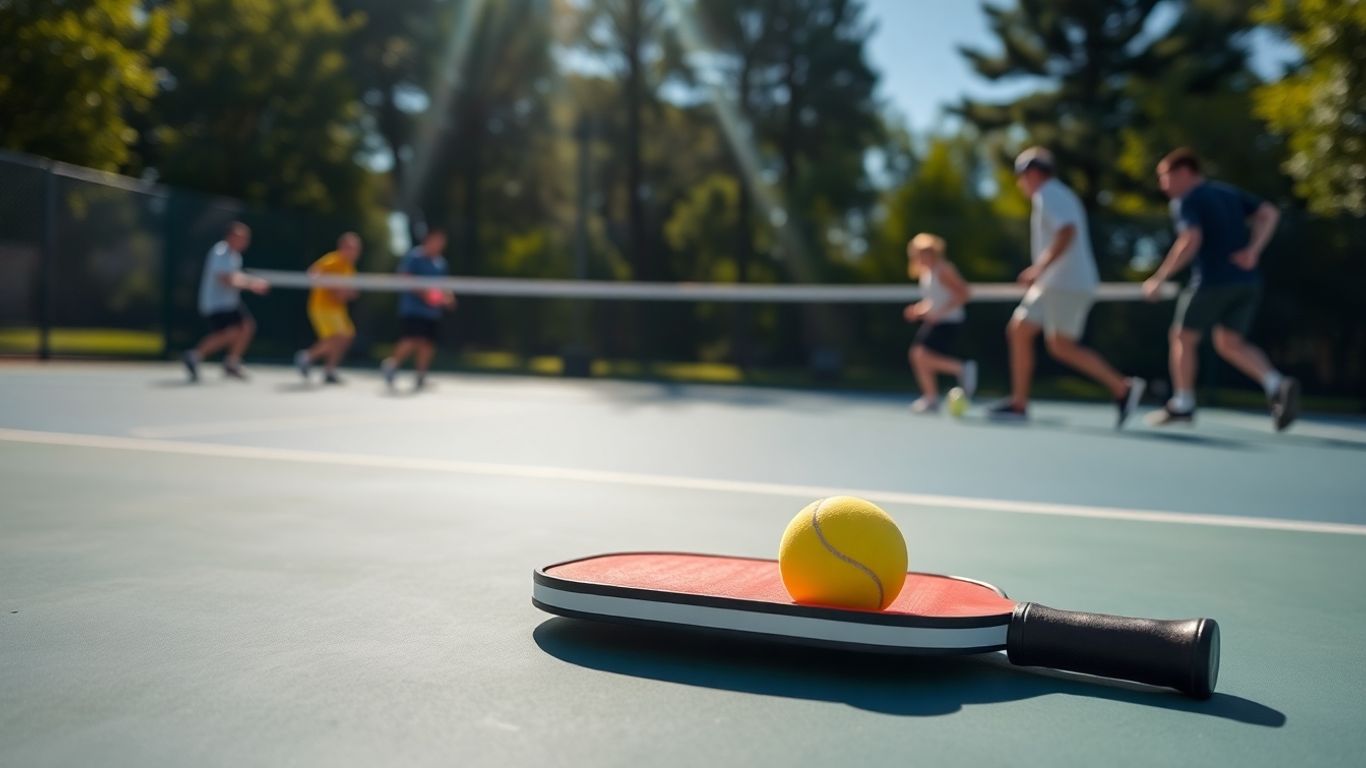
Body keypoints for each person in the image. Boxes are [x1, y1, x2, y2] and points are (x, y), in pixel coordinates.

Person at [1143, 148, 1299, 431]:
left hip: (1213, 281)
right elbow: (1269, 213)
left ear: (1184, 173)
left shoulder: (1186, 199)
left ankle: (1183, 403)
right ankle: (1276, 384)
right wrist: (1254, 250)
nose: (1162, 185)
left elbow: (1190, 239)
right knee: (1229, 343)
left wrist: (1160, 276)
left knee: (1182, 336)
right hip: (1248, 282)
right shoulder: (1227, 193)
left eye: (1165, 177)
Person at [988, 147, 1145, 427]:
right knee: (1020, 331)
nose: (1019, 182)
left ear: (1034, 173)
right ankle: (1019, 403)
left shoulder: (1049, 193)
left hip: (1065, 283)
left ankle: (1122, 387)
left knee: (1060, 346)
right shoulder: (1052, 194)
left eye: (1021, 176)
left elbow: (1067, 231)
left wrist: (1038, 268)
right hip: (1054, 285)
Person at [183, 222, 269, 382]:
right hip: (216, 304)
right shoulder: (220, 252)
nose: (245, 242)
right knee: (228, 334)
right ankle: (194, 356)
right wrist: (252, 285)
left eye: (246, 239)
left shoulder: (235, 256)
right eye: (242, 238)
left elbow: (236, 277)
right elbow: (226, 279)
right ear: (231, 237)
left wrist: (252, 281)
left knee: (245, 328)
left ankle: (231, 363)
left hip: (229, 303)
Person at [904, 233, 978, 413]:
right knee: (918, 356)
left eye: (927, 252)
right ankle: (931, 398)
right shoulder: (926, 273)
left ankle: (961, 368)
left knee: (920, 355)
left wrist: (940, 313)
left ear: (934, 252)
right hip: (937, 320)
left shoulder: (943, 269)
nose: (923, 256)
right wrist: (919, 311)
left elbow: (963, 293)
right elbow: (934, 301)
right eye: (920, 253)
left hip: (949, 321)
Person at [381, 229, 455, 391]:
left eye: (442, 242)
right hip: (412, 309)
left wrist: (448, 298)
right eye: (436, 240)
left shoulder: (440, 263)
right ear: (428, 240)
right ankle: (391, 365)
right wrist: (424, 294)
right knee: (410, 340)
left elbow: (444, 286)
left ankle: (421, 376)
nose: (439, 245)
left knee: (428, 344)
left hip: (432, 312)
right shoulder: (414, 257)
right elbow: (405, 277)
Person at [295, 233, 362, 384]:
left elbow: (349, 291)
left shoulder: (349, 267)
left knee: (347, 336)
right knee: (336, 337)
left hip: (338, 309)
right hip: (323, 307)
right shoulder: (333, 260)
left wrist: (348, 292)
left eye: (356, 249)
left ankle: (328, 369)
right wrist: (332, 287)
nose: (354, 252)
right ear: (342, 247)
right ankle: (307, 357)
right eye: (351, 248)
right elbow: (314, 273)